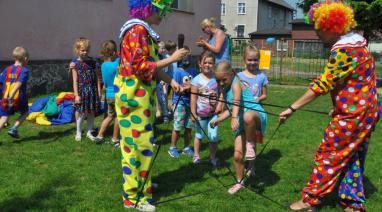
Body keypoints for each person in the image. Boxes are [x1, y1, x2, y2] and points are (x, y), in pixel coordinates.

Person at [279, 2, 380, 211]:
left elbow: (324, 83)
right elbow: (356, 82)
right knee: (351, 156)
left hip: (354, 115)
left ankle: (310, 200)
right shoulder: (358, 44)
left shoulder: (344, 50)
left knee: (328, 154)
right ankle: (352, 203)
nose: (316, 33)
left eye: (319, 28)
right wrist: (339, 106)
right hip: (367, 111)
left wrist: (292, 107)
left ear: (332, 27)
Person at [116, 0, 188, 210]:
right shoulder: (137, 30)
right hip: (133, 97)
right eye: (162, 12)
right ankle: (134, 197)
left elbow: (152, 68)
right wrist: (172, 58)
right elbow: (140, 67)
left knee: (140, 145)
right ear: (150, 8)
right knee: (138, 146)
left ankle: (140, 182)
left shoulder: (142, 30)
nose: (162, 17)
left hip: (139, 97)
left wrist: (171, 80)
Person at [210, 61, 265, 194]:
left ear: (232, 73)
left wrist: (234, 118)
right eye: (218, 81)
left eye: (224, 79)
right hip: (242, 120)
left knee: (247, 116)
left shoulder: (236, 82)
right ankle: (240, 182)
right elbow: (230, 109)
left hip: (254, 114)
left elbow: (236, 100)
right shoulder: (225, 88)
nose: (221, 83)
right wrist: (218, 120)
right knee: (237, 156)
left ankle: (251, 145)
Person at [237, 45, 268, 174]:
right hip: (242, 111)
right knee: (243, 139)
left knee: (252, 140)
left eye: (255, 60)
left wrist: (259, 99)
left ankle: (252, 166)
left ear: (259, 60)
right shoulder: (239, 76)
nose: (252, 63)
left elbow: (265, 95)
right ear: (244, 59)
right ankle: (242, 164)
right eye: (250, 60)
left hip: (256, 111)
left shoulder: (262, 76)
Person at [190, 51, 220, 166]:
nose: (208, 65)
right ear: (200, 64)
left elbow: (221, 93)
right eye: (205, 62)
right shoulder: (196, 80)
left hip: (213, 115)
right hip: (200, 115)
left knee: (213, 137)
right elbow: (193, 98)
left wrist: (219, 107)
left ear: (214, 64)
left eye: (210, 63)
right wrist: (193, 113)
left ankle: (212, 157)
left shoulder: (216, 78)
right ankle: (196, 156)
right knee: (199, 136)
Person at [70, 37, 101, 142]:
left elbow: (97, 78)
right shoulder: (75, 64)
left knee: (91, 112)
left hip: (92, 91)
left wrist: (99, 91)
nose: (85, 52)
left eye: (87, 50)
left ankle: (89, 131)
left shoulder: (93, 63)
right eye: (82, 50)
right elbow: (74, 81)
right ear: (77, 50)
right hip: (81, 91)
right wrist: (76, 95)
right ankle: (78, 131)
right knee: (81, 112)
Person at [168, 46, 197, 158]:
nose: (186, 60)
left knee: (189, 127)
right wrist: (184, 89)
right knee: (178, 126)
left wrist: (192, 88)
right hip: (180, 102)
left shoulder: (193, 71)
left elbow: (195, 85)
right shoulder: (178, 72)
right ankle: (173, 147)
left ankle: (186, 146)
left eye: (188, 57)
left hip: (191, 102)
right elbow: (175, 87)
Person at [93, 40, 120, 146]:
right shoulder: (116, 64)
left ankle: (100, 136)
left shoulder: (103, 65)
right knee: (118, 117)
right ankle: (114, 139)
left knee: (109, 116)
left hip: (108, 95)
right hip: (117, 94)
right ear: (113, 53)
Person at [0, 47, 30, 139]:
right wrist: (12, 95)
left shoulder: (7, 69)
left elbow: (1, 80)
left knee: (4, 117)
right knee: (25, 112)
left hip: (5, 97)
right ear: (25, 59)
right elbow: (18, 83)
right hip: (17, 97)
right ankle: (13, 128)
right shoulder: (24, 70)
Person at [155, 41, 169, 123]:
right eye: (162, 48)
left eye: (164, 48)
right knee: (156, 99)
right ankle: (157, 114)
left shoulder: (164, 58)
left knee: (163, 98)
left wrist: (163, 81)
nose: (163, 50)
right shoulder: (155, 56)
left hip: (161, 81)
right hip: (155, 81)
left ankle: (165, 115)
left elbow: (165, 71)